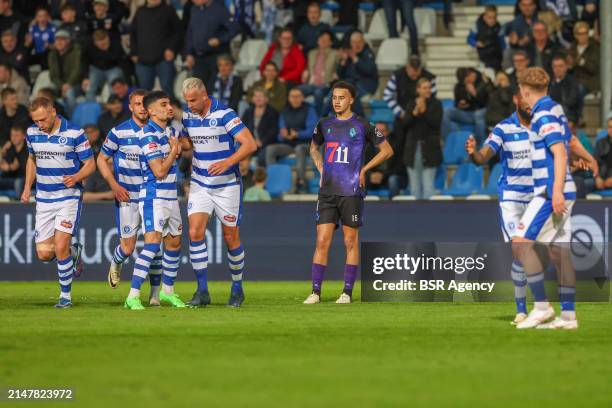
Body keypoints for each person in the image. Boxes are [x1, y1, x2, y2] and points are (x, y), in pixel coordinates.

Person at [304, 81, 393, 305]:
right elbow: (313, 147)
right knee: (322, 240)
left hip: (351, 190)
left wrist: (364, 169)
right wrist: (321, 167)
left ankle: (347, 292)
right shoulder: (324, 124)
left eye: (341, 97)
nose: (337, 101)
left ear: (351, 99)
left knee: (350, 241)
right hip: (327, 192)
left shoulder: (363, 125)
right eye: (334, 97)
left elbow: (387, 150)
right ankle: (315, 292)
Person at [179, 77, 257, 308]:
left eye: (193, 100)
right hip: (200, 183)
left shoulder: (225, 114)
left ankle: (237, 287)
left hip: (227, 185)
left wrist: (228, 162)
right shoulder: (188, 116)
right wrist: (177, 144)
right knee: (194, 233)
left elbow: (249, 144)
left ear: (205, 96)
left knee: (230, 237)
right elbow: (187, 142)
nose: (190, 105)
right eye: (186, 101)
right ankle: (202, 290)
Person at [513, 67, 577, 330]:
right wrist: (590, 159)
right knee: (559, 252)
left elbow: (560, 152)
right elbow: (570, 141)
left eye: (521, 91)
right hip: (563, 187)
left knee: (519, 244)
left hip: (549, 190)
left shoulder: (541, 114)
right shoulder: (557, 109)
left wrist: (556, 191)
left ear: (525, 91)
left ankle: (541, 307)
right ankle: (569, 317)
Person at [465, 88, 535, 325]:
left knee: (533, 252)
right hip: (512, 198)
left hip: (537, 197)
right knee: (520, 249)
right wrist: (474, 154)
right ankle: (521, 309)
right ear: (517, 100)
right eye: (525, 100)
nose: (529, 105)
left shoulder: (544, 128)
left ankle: (538, 306)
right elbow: (485, 155)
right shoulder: (503, 128)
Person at [21, 97, 95, 308]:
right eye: (36, 121)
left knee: (61, 245)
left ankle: (65, 297)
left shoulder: (74, 133)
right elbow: (31, 160)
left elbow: (90, 164)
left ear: (53, 112)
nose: (40, 125)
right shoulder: (32, 133)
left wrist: (78, 177)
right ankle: (73, 254)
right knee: (44, 254)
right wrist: (27, 187)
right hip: (43, 198)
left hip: (68, 196)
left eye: (43, 119)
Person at [124, 91, 186, 310]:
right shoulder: (147, 135)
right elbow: (159, 170)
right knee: (152, 245)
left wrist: (179, 144)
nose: (169, 107)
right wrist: (174, 150)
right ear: (150, 110)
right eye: (164, 104)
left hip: (171, 196)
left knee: (175, 243)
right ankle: (132, 295)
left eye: (169, 103)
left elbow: (185, 145)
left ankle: (168, 292)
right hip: (154, 197)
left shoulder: (169, 130)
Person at [97, 89, 150, 289]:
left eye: (145, 104)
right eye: (137, 104)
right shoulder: (118, 132)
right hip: (127, 196)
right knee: (128, 248)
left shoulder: (158, 130)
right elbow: (101, 159)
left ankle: (155, 294)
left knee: (155, 246)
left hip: (152, 196)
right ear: (130, 107)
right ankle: (117, 262)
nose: (142, 108)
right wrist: (114, 185)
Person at [266, 87, 318, 192]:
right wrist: (283, 135)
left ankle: (301, 182)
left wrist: (298, 134)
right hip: (289, 144)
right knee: (271, 149)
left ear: (303, 98)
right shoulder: (284, 111)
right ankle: (273, 179)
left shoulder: (309, 110)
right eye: (292, 96)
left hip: (307, 145)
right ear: (289, 98)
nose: (295, 99)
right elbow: (280, 134)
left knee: (299, 148)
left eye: (298, 96)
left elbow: (313, 131)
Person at [130, 0, 182, 96]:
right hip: (142, 59)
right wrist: (133, 53)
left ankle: (170, 111)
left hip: (164, 58)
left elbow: (178, 31)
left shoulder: (168, 10)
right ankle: (147, 111)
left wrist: (171, 48)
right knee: (144, 92)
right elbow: (133, 33)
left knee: (167, 89)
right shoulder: (140, 11)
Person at [401, 78, 442, 200]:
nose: (428, 90)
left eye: (429, 87)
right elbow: (404, 124)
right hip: (412, 150)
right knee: (414, 188)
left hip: (430, 150)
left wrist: (424, 111)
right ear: (418, 89)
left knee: (429, 186)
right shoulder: (411, 104)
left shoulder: (436, 104)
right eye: (424, 88)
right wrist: (414, 113)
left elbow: (436, 123)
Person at [184, 0, 237, 86]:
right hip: (199, 58)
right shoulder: (194, 9)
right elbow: (190, 33)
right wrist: (189, 53)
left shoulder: (220, 9)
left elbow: (234, 29)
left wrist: (219, 40)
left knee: (214, 89)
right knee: (198, 90)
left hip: (217, 58)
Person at [384, 55, 437, 124]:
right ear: (407, 68)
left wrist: (423, 111)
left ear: (420, 68)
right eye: (412, 74)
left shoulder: (429, 77)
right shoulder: (397, 76)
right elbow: (387, 95)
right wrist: (399, 112)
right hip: (402, 116)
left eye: (417, 74)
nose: (414, 77)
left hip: (424, 118)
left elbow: (432, 97)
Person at [441, 68, 488, 143]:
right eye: (467, 76)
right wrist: (459, 106)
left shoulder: (480, 84)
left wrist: (474, 93)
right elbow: (456, 103)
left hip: (479, 112)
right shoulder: (458, 87)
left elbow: (483, 103)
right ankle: (447, 141)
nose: (471, 77)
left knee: (478, 114)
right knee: (446, 111)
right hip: (466, 113)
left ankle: (478, 144)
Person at [300, 30, 338, 114]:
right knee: (297, 90)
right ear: (317, 41)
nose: (322, 41)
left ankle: (319, 118)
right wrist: (305, 73)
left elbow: (340, 69)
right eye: (321, 39)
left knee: (318, 93)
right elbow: (308, 68)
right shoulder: (311, 53)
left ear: (331, 42)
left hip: (326, 83)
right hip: (312, 84)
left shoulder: (335, 54)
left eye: (326, 39)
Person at [84, 29, 125, 102]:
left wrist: (105, 50)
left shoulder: (115, 43)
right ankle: (91, 110)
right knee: (89, 89)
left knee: (114, 89)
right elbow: (85, 62)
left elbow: (120, 59)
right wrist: (86, 77)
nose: (102, 43)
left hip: (113, 68)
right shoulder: (89, 45)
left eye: (104, 40)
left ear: (108, 38)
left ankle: (113, 108)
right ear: (95, 42)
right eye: (99, 42)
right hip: (96, 69)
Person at [48, 29, 82, 114]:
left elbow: (77, 70)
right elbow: (53, 76)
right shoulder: (52, 54)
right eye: (57, 39)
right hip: (60, 84)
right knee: (46, 93)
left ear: (68, 40)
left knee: (69, 94)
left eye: (62, 39)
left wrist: (68, 84)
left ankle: (71, 122)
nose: (59, 42)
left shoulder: (76, 52)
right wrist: (62, 86)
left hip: (75, 84)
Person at [242, 87, 279, 166]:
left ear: (266, 99)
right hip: (250, 142)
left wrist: (262, 141)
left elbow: (274, 131)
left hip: (266, 144)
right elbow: (242, 128)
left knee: (262, 158)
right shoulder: (248, 111)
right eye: (256, 96)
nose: (258, 98)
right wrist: (250, 140)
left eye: (261, 96)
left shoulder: (272, 112)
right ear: (252, 99)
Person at [336, 31, 378, 99]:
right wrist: (343, 61)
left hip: (365, 86)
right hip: (350, 85)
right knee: (333, 94)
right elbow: (340, 75)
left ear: (363, 42)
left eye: (359, 42)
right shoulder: (348, 54)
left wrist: (355, 59)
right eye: (354, 42)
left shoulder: (368, 54)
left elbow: (368, 70)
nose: (357, 45)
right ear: (350, 44)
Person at [81, 125, 114, 202]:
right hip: (96, 209)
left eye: (111, 164)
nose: (109, 167)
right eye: (106, 164)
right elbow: (84, 196)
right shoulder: (94, 176)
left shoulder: (120, 177)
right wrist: (107, 195)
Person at [467, 5, 504, 71]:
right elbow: (469, 39)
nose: (492, 20)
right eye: (489, 17)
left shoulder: (499, 27)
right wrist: (476, 43)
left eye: (494, 17)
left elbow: (502, 43)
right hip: (482, 61)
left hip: (497, 60)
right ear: (484, 17)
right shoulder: (477, 26)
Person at [568, 21, 600, 94]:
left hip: (589, 82)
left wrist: (582, 62)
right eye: (580, 34)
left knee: (577, 90)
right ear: (576, 35)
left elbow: (595, 68)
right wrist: (569, 65)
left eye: (585, 33)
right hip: (574, 81)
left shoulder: (595, 48)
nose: (583, 36)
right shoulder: (572, 47)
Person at [549, 54, 582, 125]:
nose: (557, 69)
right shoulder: (549, 83)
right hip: (552, 116)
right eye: (555, 66)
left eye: (560, 66)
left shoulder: (572, 83)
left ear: (566, 67)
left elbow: (571, 103)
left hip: (569, 117)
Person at [0, 124, 27, 197]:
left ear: (23, 136)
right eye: (12, 135)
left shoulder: (28, 149)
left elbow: (26, 169)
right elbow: (3, 165)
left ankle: (21, 203)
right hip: (10, 178)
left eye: (16, 135)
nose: (13, 138)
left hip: (24, 179)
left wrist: (11, 167)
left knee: (18, 182)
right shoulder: (9, 149)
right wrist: (3, 153)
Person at [594, 118, 612, 191]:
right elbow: (595, 162)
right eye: (610, 127)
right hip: (602, 177)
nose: (611, 130)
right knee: (582, 184)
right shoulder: (600, 143)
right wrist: (597, 177)